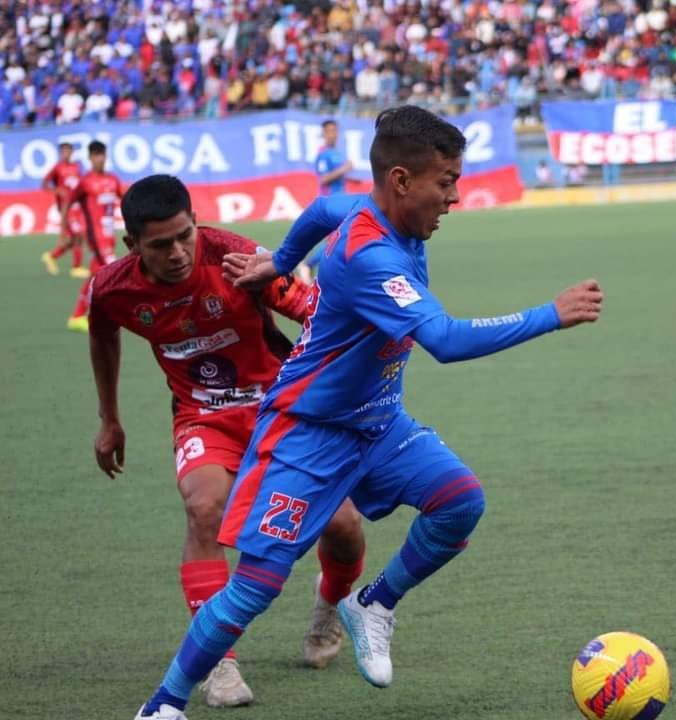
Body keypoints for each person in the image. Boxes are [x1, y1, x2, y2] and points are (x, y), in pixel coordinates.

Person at [133, 105, 603, 720]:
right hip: (310, 433)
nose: (455, 196)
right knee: (256, 587)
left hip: (377, 423)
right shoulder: (370, 257)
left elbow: (322, 211)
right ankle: (164, 705)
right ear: (403, 180)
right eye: (446, 181)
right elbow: (446, 339)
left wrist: (280, 259)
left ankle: (373, 604)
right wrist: (550, 313)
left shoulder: (362, 207)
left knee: (461, 501)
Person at [89, 175, 368, 709]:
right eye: (160, 245)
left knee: (344, 527)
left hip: (282, 409)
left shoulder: (235, 258)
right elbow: (103, 334)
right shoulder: (113, 288)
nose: (177, 253)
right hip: (203, 415)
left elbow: (314, 310)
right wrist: (110, 419)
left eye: (185, 236)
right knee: (203, 508)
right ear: (132, 246)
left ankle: (330, 603)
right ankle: (219, 660)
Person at [60, 140, 124, 331]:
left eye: (102, 154)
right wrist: (63, 231)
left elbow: (125, 200)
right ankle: (118, 313)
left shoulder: (113, 179)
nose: (99, 159)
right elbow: (67, 204)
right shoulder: (85, 182)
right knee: (115, 270)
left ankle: (77, 316)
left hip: (109, 236)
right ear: (89, 158)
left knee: (95, 276)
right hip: (96, 237)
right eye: (95, 155)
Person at [297, 119, 353, 284]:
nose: (333, 134)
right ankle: (308, 264)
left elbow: (339, 177)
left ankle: (315, 268)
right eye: (329, 131)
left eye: (335, 130)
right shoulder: (323, 154)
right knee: (341, 238)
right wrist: (345, 168)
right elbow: (323, 179)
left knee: (341, 238)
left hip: (340, 202)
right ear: (323, 134)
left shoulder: (337, 153)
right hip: (330, 203)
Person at [40, 141, 88, 278]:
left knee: (76, 237)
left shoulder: (77, 167)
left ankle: (51, 256)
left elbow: (79, 185)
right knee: (77, 235)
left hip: (77, 205)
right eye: (63, 151)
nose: (66, 154)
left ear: (72, 152)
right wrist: (56, 190)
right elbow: (44, 183)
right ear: (60, 153)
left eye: (68, 151)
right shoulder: (57, 168)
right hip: (66, 208)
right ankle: (76, 267)